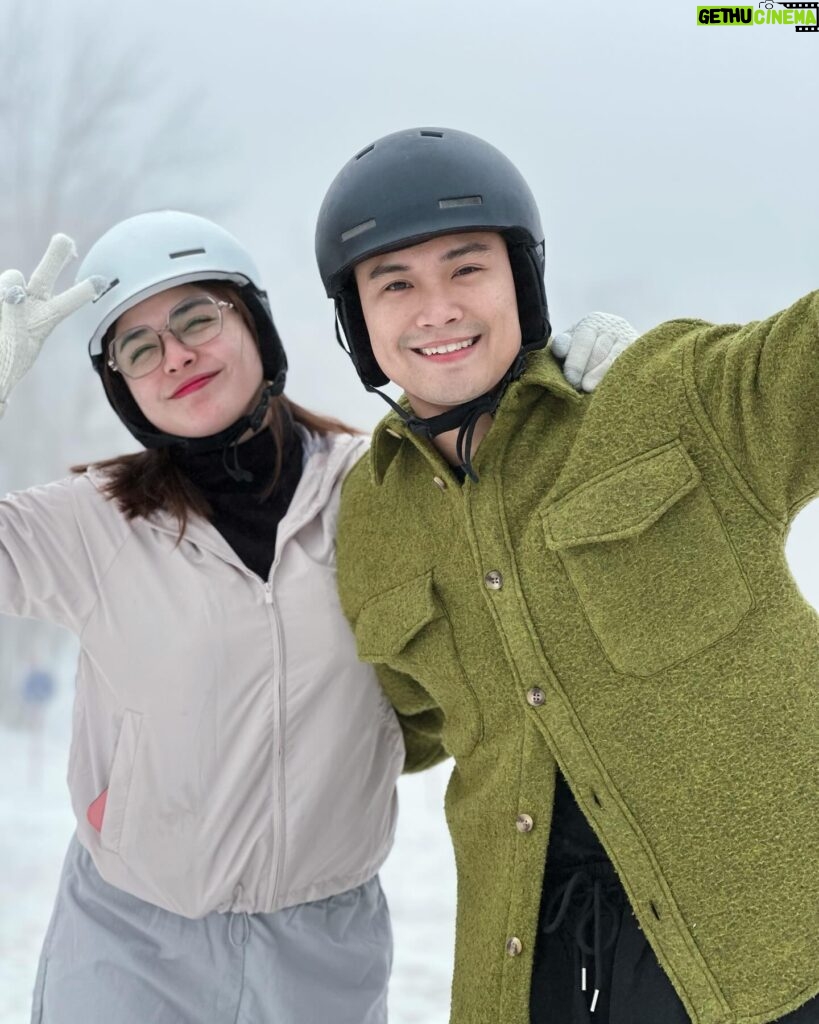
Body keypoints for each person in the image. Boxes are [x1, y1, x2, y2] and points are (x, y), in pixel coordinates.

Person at [0, 210, 625, 1024]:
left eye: (197, 318)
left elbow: (524, 497)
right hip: (131, 940)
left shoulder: (378, 487)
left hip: (322, 949)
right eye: (139, 347)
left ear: (256, 326)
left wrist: (589, 400)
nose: (176, 356)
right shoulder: (88, 524)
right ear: (121, 386)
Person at [314, 126, 819, 1024]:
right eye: (395, 284)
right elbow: (396, 724)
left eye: (465, 267)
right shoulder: (372, 518)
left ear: (522, 278)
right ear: (357, 320)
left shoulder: (668, 399)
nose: (435, 309)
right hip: (529, 982)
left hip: (779, 958)